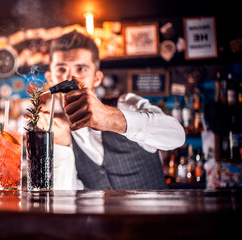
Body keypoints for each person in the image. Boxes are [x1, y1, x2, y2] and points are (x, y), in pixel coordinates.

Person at [38, 30, 185, 190]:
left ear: (97, 78)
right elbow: (64, 202)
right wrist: (62, 146)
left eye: (81, 69)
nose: (70, 78)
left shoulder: (125, 103)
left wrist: (111, 118)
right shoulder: (60, 131)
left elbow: (177, 134)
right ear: (50, 79)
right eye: (61, 70)